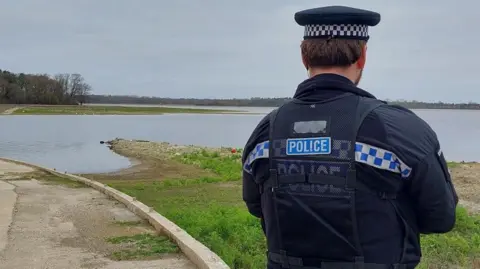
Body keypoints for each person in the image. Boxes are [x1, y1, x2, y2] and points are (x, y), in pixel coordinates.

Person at [241, 5, 458, 269]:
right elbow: (441, 217)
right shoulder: (400, 129)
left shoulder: (266, 132)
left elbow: (256, 206)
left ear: (304, 57)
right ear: (362, 56)